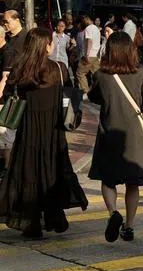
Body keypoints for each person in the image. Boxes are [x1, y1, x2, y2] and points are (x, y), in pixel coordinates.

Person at [0, 28, 87, 238]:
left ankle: (31, 223)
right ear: (46, 46)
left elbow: (9, 93)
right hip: (53, 130)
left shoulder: (20, 69)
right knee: (53, 169)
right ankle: (54, 216)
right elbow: (69, 91)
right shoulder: (58, 68)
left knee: (29, 171)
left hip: (28, 129)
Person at [87, 31, 143, 243]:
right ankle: (129, 226)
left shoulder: (101, 75)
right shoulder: (141, 74)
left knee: (107, 179)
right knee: (132, 183)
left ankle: (112, 213)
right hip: (133, 137)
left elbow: (94, 97)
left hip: (108, 133)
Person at [0, 9, 28, 100]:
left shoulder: (27, 37)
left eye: (7, 21)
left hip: (18, 83)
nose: (4, 24)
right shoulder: (4, 37)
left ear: (17, 20)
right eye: (3, 21)